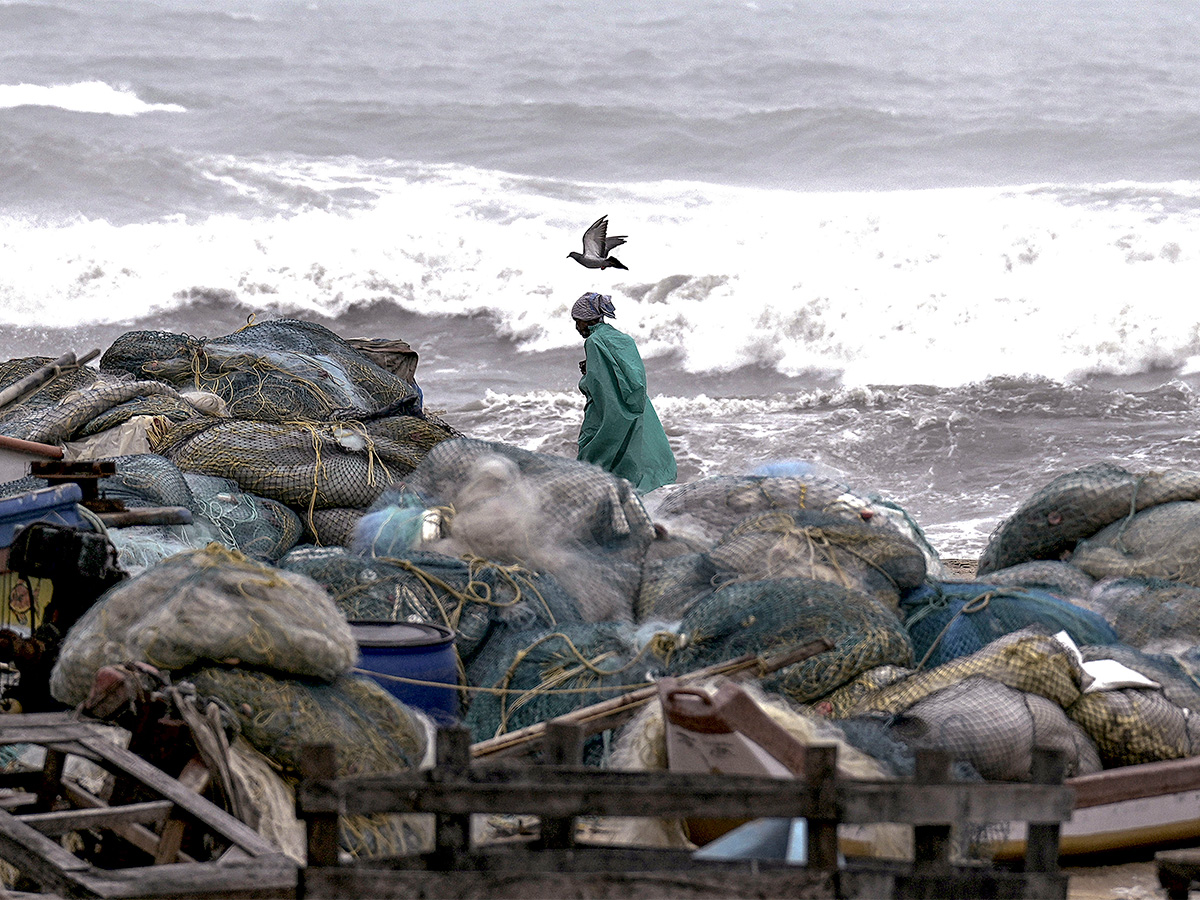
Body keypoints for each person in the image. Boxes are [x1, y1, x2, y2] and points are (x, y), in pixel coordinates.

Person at [572, 292, 676, 493]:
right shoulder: (623, 338)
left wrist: (587, 374)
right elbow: (630, 372)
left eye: (579, 322)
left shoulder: (593, 342)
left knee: (596, 450)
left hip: (610, 407)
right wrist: (592, 365)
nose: (578, 327)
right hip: (636, 404)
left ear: (588, 319)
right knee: (632, 450)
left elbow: (598, 384)